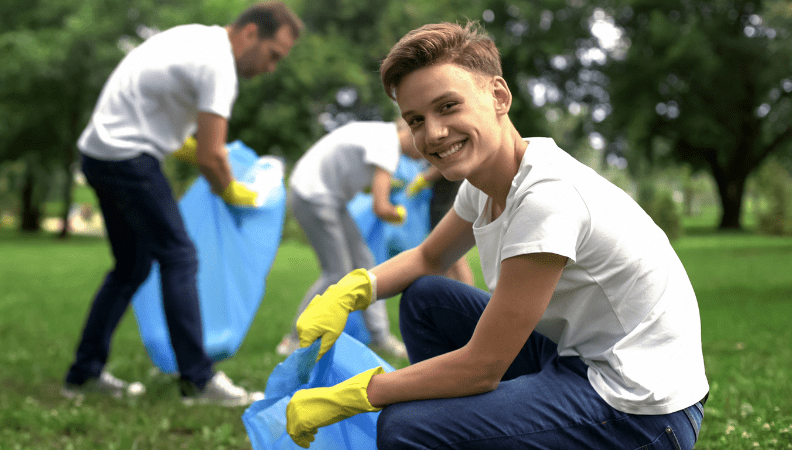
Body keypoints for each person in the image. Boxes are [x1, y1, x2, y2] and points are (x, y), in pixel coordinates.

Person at [285, 21, 709, 449]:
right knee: (427, 299)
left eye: (448, 106)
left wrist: (357, 394)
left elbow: (483, 367)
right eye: (416, 119)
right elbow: (429, 258)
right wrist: (353, 291)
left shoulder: (547, 198)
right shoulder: (488, 182)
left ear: (499, 97)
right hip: (576, 357)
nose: (432, 133)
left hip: (640, 411)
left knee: (406, 427)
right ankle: (465, 424)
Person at [61, 1, 303, 407]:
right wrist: (233, 192)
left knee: (132, 267)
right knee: (179, 256)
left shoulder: (196, 39)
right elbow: (211, 156)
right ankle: (198, 379)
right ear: (249, 35)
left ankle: (83, 374)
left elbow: (177, 135)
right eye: (272, 55)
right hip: (128, 157)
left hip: (99, 154)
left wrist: (207, 160)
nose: (271, 68)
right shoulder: (219, 67)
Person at [274, 119, 420, 359]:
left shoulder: (380, 133)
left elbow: (352, 172)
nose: (424, 155)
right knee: (336, 272)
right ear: (412, 132)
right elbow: (381, 208)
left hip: (326, 196)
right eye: (424, 148)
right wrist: (399, 213)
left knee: (367, 267)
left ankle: (380, 337)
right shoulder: (388, 144)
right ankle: (294, 340)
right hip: (315, 195)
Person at [405, 165, 474, 285]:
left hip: (447, 202)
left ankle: (468, 298)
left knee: (457, 259)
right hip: (440, 203)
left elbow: (445, 163)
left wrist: (424, 178)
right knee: (444, 258)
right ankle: (456, 299)